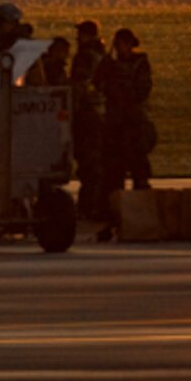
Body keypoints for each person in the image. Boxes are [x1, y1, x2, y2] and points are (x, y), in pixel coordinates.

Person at [94, 28, 154, 230]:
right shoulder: (110, 65)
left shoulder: (139, 64)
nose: (119, 48)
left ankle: (142, 211)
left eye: (122, 44)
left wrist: (121, 94)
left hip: (133, 124)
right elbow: (98, 84)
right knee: (113, 172)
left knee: (139, 171)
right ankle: (112, 212)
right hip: (114, 125)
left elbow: (141, 91)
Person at [69, 21, 108, 221]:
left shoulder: (85, 57)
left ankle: (88, 206)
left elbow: (79, 85)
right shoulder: (102, 55)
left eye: (80, 34)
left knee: (89, 162)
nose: (77, 38)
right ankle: (96, 204)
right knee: (97, 161)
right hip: (100, 111)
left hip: (87, 113)